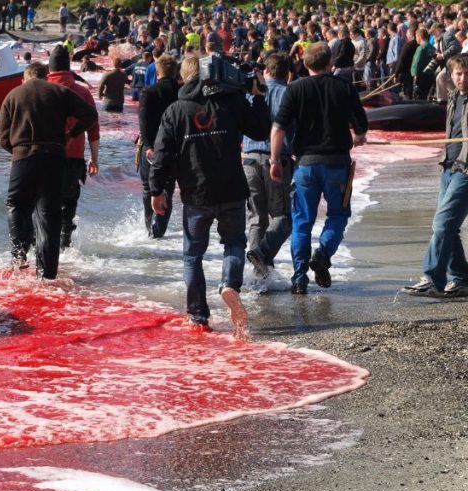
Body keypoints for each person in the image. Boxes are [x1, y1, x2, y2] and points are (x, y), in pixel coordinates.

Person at [149, 54, 270, 335]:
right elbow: (261, 129)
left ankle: (198, 317)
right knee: (234, 244)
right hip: (231, 189)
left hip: (195, 193)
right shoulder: (231, 101)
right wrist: (259, 96)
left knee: (193, 255)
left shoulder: (175, 110)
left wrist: (156, 190)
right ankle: (230, 285)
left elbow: (162, 156)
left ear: (184, 78)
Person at [270, 42, 368, 295]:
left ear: (305, 64)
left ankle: (299, 278)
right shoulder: (344, 87)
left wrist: (273, 160)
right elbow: (361, 124)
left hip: (306, 165)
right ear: (330, 64)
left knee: (302, 222)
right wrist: (358, 135)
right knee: (338, 215)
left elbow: (278, 128)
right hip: (337, 163)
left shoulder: (295, 89)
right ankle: (323, 254)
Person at [0, 62, 97, 279]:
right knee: (49, 215)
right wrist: (72, 134)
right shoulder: (60, 92)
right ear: (46, 77)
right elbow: (90, 115)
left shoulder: (13, 95)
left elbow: (2, 138)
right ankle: (47, 273)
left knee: (16, 204)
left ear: (25, 77)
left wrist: (16, 150)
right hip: (54, 157)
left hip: (23, 157)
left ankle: (19, 253)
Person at [401, 54, 468, 298]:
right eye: (458, 74)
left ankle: (432, 279)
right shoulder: (453, 97)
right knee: (448, 226)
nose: (463, 78)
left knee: (442, 224)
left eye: (467, 73)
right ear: (451, 75)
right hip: (449, 166)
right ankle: (461, 279)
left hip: (466, 170)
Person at [242, 53, 293, 279]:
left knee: (256, 217)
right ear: (288, 74)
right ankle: (261, 254)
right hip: (277, 159)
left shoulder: (251, 93)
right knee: (281, 217)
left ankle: (258, 274)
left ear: (266, 72)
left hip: (249, 158)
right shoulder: (289, 93)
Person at [46, 45, 100, 250]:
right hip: (73, 159)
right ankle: (64, 249)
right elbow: (93, 128)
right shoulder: (82, 91)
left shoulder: (41, 89)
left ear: (50, 68)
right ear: (69, 67)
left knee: (43, 206)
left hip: (43, 157)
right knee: (67, 208)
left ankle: (41, 251)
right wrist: (94, 159)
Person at [138, 53, 180, 239]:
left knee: (148, 187)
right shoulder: (181, 91)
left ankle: (149, 229)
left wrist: (148, 145)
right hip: (174, 147)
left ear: (157, 71)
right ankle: (159, 230)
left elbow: (144, 122)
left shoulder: (149, 92)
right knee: (168, 188)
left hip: (151, 146)